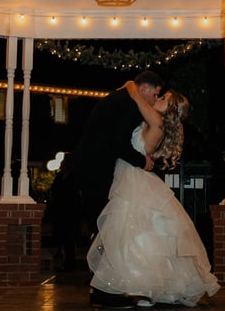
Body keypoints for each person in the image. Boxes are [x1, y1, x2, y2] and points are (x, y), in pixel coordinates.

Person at [87, 81, 220, 308]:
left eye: (163, 98)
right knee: (135, 233)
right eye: (160, 96)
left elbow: (137, 97)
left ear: (168, 109)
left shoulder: (156, 120)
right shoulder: (154, 121)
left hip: (132, 179)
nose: (158, 99)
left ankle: (142, 287)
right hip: (131, 175)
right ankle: (140, 287)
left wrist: (131, 86)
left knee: (132, 233)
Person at [76, 69, 165, 308]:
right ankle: (105, 293)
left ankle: (102, 289)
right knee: (108, 231)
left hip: (94, 170)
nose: (155, 100)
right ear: (144, 88)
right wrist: (141, 161)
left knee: (105, 230)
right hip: (97, 173)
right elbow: (117, 142)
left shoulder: (120, 99)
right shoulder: (127, 105)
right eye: (155, 94)